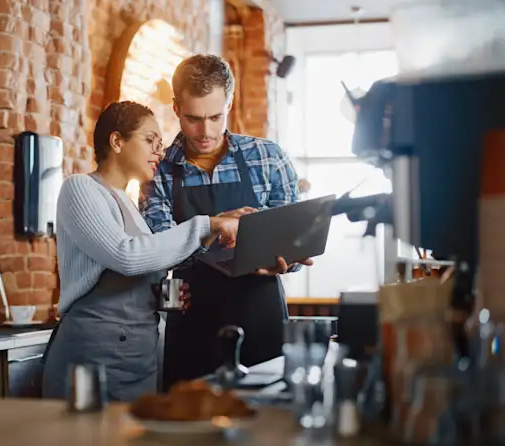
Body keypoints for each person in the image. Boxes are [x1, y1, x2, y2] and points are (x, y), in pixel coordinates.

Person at [41, 101, 241, 403]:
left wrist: (159, 295)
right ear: (117, 141)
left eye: (160, 144)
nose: (158, 152)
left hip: (137, 360)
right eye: (150, 141)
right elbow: (127, 256)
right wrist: (206, 224)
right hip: (92, 356)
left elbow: (136, 266)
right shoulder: (79, 189)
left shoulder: (128, 204)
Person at [139, 54, 314, 391]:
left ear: (229, 103)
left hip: (261, 314)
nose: (205, 131)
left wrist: (286, 260)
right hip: (194, 321)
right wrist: (216, 225)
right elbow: (158, 251)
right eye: (193, 118)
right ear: (176, 108)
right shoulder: (156, 171)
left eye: (216, 116)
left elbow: (294, 241)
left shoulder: (268, 157)